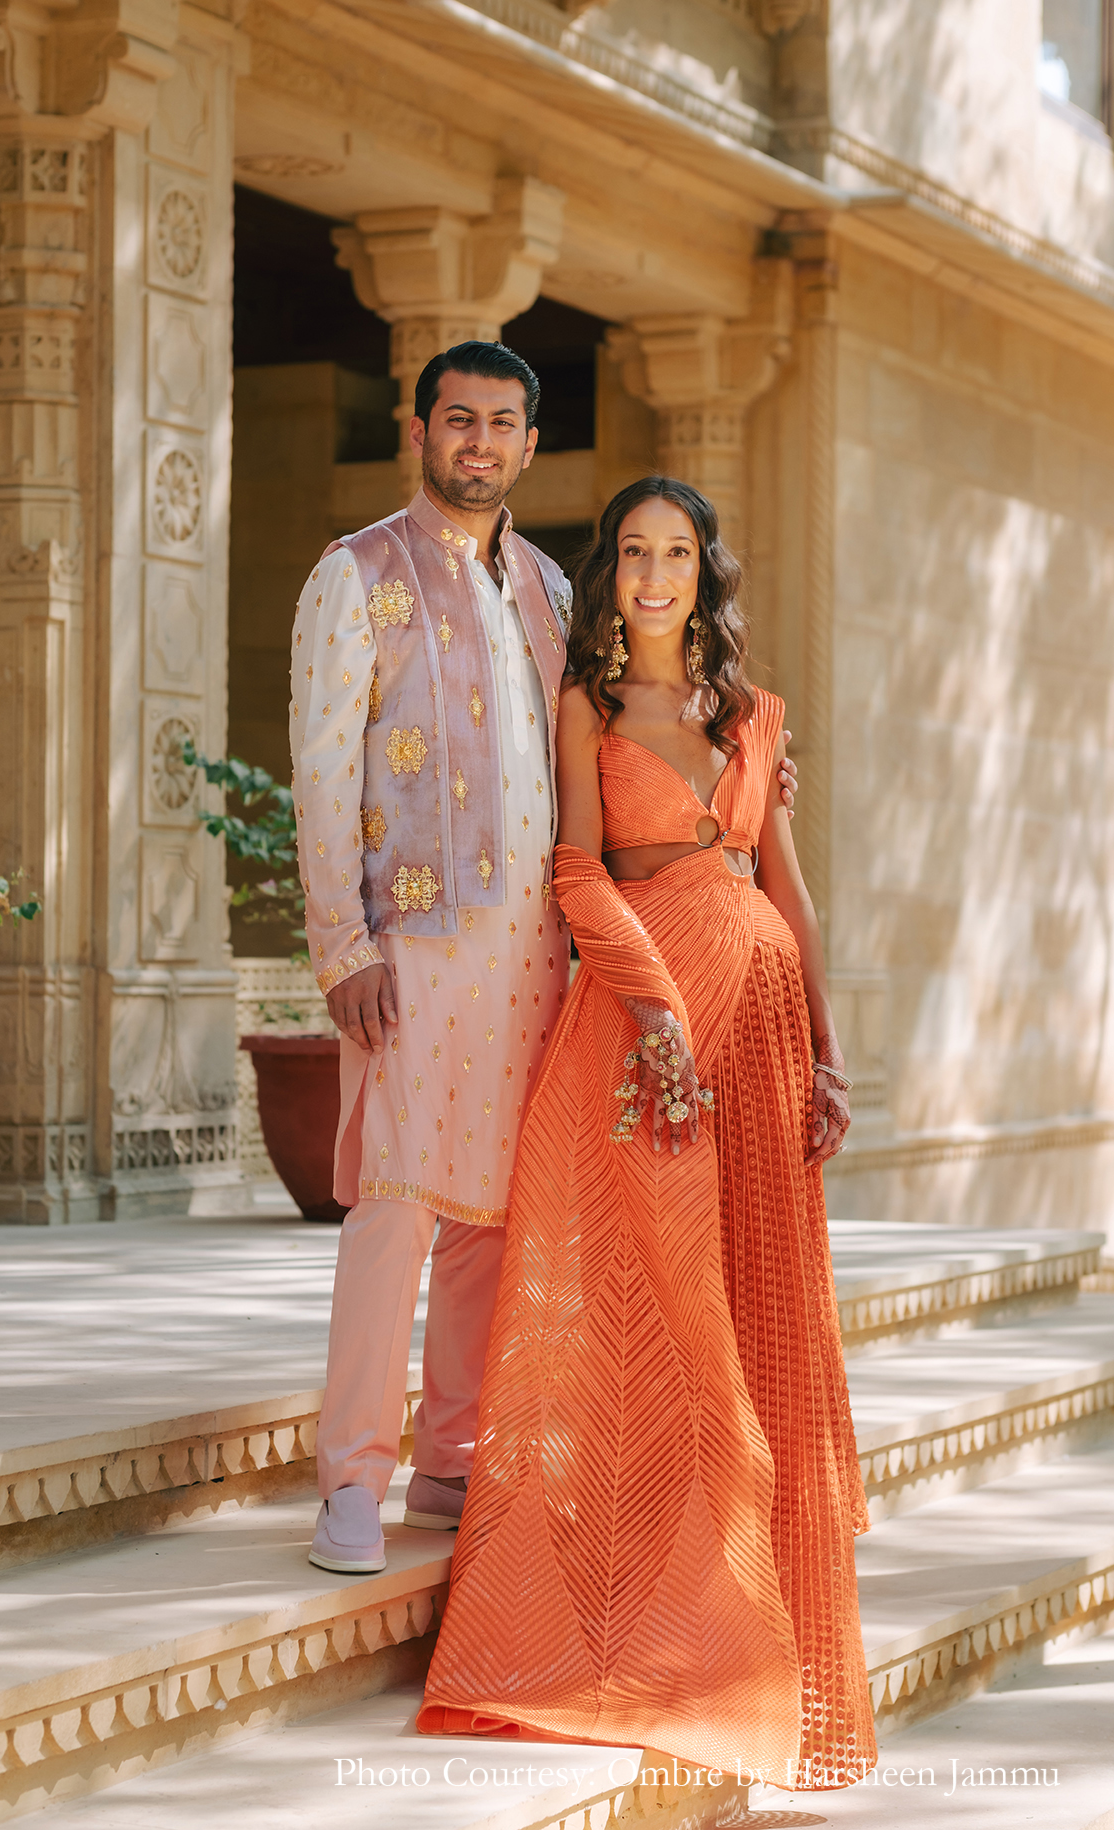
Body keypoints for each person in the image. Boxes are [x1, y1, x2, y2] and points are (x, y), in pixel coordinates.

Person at [292, 350, 800, 1581]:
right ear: (419, 430)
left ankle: (450, 1461)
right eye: (456, 419)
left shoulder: (540, 590)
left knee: (492, 1220)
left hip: (537, 957)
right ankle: (350, 1480)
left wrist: (745, 784)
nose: (477, 441)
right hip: (412, 944)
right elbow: (320, 766)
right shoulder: (355, 573)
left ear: (528, 445)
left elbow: (634, 732)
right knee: (399, 1204)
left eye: (501, 424)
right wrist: (341, 943)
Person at [417, 476, 875, 1789]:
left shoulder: (750, 716)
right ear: (609, 570)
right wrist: (658, 1008)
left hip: (767, 1033)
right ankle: (645, 1624)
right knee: (655, 1317)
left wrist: (831, 1054)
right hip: (638, 1034)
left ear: (702, 571)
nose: (655, 574)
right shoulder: (589, 707)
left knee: (756, 1311)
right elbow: (578, 870)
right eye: (634, 552)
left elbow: (784, 884)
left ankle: (750, 1636)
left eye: (677, 553)